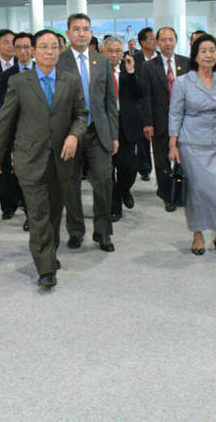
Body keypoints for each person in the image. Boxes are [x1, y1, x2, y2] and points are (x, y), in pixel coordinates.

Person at [0, 29, 87, 288]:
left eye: (54, 46)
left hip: (61, 160)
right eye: (43, 46)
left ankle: (49, 252)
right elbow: (5, 122)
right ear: (33, 51)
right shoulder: (19, 82)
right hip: (30, 159)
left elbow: (81, 114)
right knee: (39, 214)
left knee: (54, 212)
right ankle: (45, 268)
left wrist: (74, 135)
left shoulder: (70, 80)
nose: (49, 51)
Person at [169, 33, 216, 258]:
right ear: (195, 56)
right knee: (198, 193)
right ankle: (198, 235)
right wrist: (173, 144)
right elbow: (175, 114)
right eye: (203, 51)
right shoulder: (183, 82)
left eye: (212, 50)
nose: (208, 55)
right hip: (191, 143)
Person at [57, 13, 118, 252]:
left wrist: (114, 135)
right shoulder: (59, 61)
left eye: (85, 29)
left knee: (104, 182)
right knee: (70, 184)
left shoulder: (101, 61)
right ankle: (75, 231)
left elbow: (110, 102)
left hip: (97, 133)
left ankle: (103, 233)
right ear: (68, 33)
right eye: (76, 29)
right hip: (69, 134)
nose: (81, 33)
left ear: (91, 33)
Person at [139, 26, 190, 211]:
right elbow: (145, 97)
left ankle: (182, 192)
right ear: (157, 43)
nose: (167, 43)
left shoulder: (186, 63)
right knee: (161, 161)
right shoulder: (148, 67)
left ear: (176, 41)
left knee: (184, 158)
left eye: (171, 39)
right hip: (160, 121)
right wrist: (147, 123)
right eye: (163, 40)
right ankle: (167, 195)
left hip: (184, 121)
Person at [101, 37, 142, 222]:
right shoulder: (97, 71)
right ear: (102, 51)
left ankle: (124, 189)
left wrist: (131, 72)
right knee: (108, 170)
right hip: (104, 125)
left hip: (126, 124)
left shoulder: (129, 69)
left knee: (130, 166)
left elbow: (139, 93)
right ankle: (114, 206)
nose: (114, 54)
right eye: (110, 51)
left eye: (117, 51)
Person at [0, 32, 34, 230]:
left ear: (33, 49)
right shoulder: (7, 76)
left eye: (26, 47)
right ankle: (30, 214)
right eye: (18, 47)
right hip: (18, 134)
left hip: (42, 132)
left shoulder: (44, 70)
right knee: (25, 175)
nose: (23, 51)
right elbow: (5, 107)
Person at [133, 27, 158, 181]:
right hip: (140, 104)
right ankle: (145, 168)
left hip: (158, 105)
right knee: (142, 141)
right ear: (142, 42)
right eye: (151, 39)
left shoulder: (160, 58)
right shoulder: (134, 59)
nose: (155, 42)